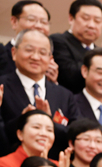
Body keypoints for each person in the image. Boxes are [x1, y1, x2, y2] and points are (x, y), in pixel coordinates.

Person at [0, 29, 79, 159]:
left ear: (50, 59)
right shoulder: (2, 86)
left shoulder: (64, 94)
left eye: (42, 52)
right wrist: (21, 121)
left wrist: (49, 121)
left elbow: (74, 135)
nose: (35, 57)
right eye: (29, 50)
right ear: (14, 53)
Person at [50, 0, 102, 95]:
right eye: (85, 18)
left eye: (97, 21)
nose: (91, 25)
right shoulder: (58, 40)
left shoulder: (97, 50)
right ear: (71, 18)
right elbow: (69, 76)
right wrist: (100, 58)